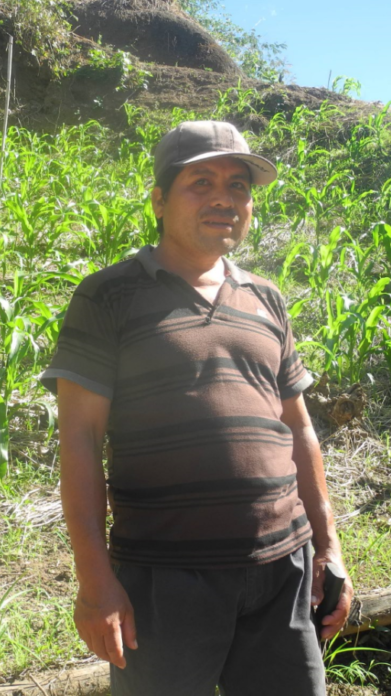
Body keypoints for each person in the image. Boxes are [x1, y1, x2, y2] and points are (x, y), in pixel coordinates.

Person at [40, 120, 353, 695]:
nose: (224, 198)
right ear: (159, 200)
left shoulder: (266, 298)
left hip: (282, 570)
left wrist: (328, 547)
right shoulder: (108, 296)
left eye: (238, 185)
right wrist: (94, 581)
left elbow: (300, 430)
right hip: (165, 577)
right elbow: (79, 441)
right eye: (200, 181)